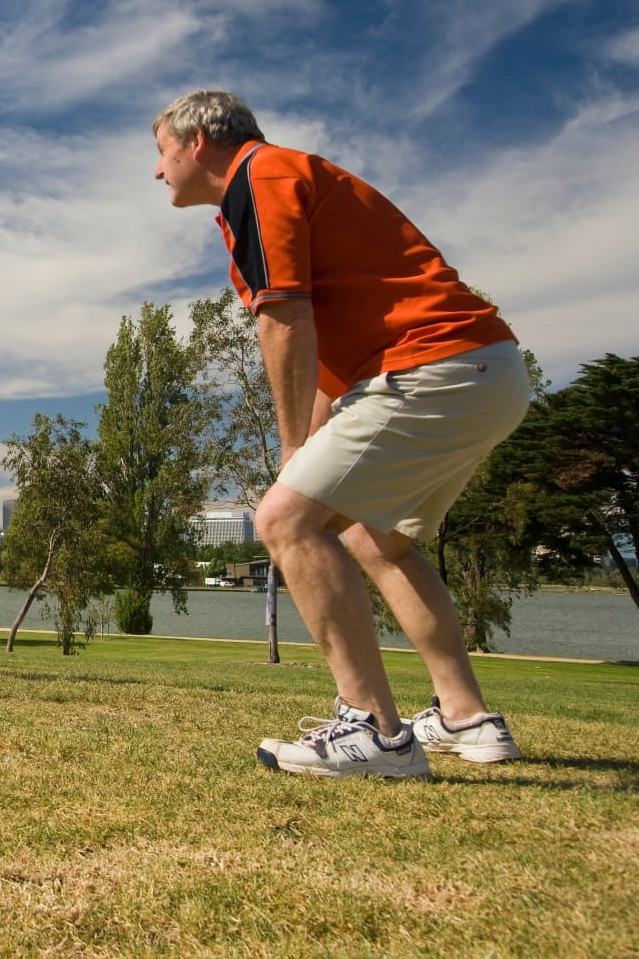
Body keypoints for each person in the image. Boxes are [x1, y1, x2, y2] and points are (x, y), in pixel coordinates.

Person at [153, 89, 529, 778]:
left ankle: (377, 734)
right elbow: (329, 360)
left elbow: (286, 317)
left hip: (432, 367)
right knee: (375, 538)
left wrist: (295, 455)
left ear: (197, 141)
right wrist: (312, 457)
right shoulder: (279, 183)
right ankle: (467, 717)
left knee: (288, 522)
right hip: (487, 371)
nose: (158, 171)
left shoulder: (260, 177)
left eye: (161, 151)